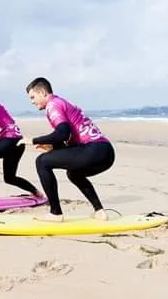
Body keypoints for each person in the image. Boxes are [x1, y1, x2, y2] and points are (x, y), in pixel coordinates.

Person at [24, 77, 115, 221]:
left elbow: (62, 133)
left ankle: (55, 213)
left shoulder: (52, 105)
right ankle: (99, 211)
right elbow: (68, 139)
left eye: (33, 97)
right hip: (106, 153)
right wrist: (52, 147)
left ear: (42, 92)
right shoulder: (62, 102)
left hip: (92, 150)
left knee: (41, 162)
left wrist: (34, 140)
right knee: (74, 173)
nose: (32, 101)